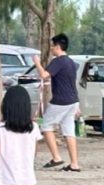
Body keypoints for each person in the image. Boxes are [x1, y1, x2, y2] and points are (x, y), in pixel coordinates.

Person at [33, 34, 81, 171]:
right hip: (73, 100)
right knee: (69, 131)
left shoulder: (58, 61)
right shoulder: (71, 62)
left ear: (58, 46)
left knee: (46, 126)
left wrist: (37, 62)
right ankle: (74, 164)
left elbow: (44, 75)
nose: (51, 48)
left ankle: (56, 157)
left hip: (60, 101)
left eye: (52, 46)